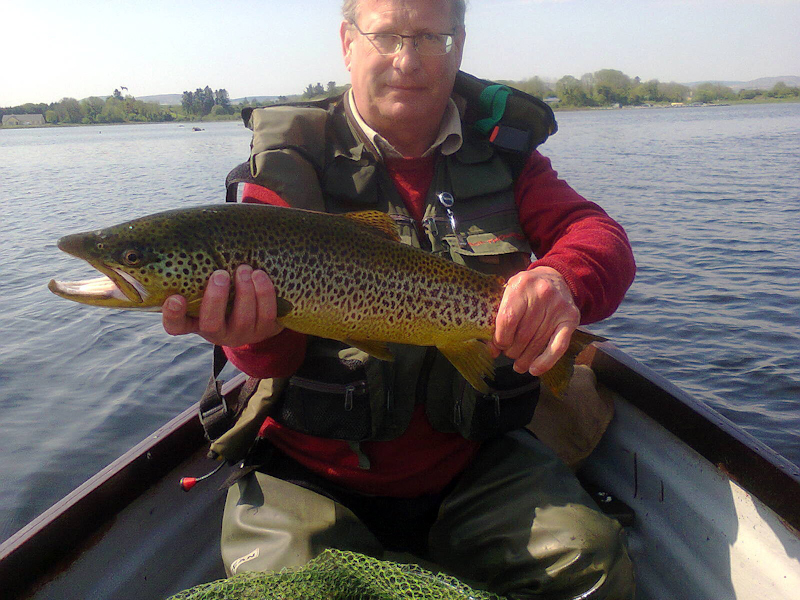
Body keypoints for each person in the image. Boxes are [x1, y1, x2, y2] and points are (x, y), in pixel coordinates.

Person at [163, 0, 636, 598]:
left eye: (431, 37)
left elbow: (602, 240)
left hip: (476, 465)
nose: (406, 60)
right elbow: (272, 364)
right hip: (311, 476)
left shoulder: (507, 158)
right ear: (347, 42)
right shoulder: (287, 169)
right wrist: (248, 335)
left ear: (459, 43)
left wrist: (563, 280)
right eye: (386, 36)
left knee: (593, 566)